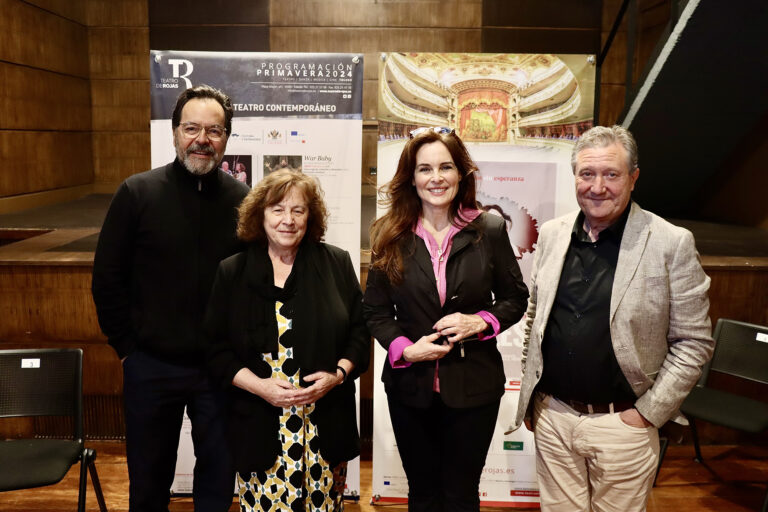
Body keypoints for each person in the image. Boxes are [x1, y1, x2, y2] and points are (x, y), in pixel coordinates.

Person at [509, 125, 714, 511]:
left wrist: (647, 414)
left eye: (611, 174)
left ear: (633, 178)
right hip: (554, 418)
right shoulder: (553, 234)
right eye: (587, 174)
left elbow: (694, 342)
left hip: (623, 425)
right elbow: (536, 318)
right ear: (575, 177)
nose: (597, 186)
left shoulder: (671, 242)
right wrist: (534, 399)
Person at [92, 84, 249, 512]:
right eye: (192, 128)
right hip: (150, 366)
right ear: (175, 133)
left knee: (218, 482)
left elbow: (251, 285)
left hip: (220, 370)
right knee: (148, 480)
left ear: (227, 138)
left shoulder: (243, 202)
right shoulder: (136, 193)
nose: (203, 139)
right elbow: (107, 278)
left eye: (214, 130)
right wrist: (128, 349)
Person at [363, 127, 529, 512]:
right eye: (425, 169)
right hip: (410, 387)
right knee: (422, 494)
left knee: (460, 495)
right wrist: (405, 349)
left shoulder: (488, 229)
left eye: (445, 167)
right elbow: (374, 311)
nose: (435, 177)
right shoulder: (388, 233)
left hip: (474, 388)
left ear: (461, 174)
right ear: (412, 176)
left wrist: (481, 322)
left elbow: (515, 298)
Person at [204, 169, 370, 511]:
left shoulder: (337, 264)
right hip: (259, 424)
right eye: (277, 209)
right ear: (260, 215)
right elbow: (215, 350)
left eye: (298, 210)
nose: (288, 220)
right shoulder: (232, 272)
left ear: (311, 217)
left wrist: (337, 375)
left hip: (326, 423)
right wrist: (260, 386)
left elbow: (359, 332)